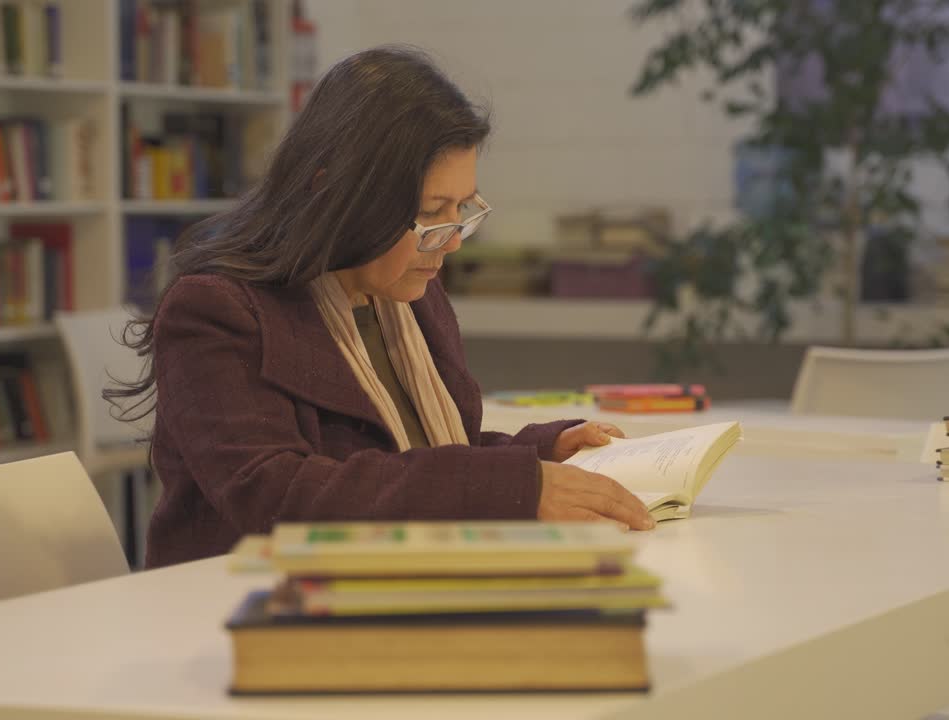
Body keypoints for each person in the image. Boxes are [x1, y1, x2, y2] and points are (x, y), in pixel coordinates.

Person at [110, 46, 655, 569]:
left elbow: (420, 455)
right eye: (431, 212)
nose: (454, 241)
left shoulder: (405, 292)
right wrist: (512, 485)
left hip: (398, 585)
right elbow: (277, 495)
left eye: (462, 209)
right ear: (335, 194)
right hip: (247, 611)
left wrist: (542, 452)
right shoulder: (215, 311)